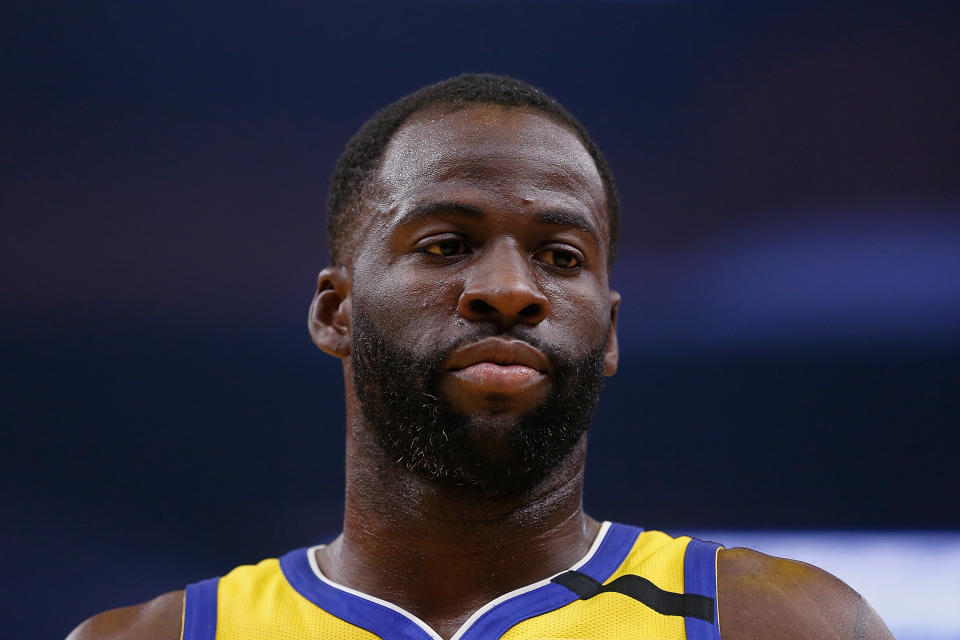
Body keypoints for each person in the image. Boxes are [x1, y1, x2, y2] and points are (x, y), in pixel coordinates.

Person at [68, 73, 894, 640]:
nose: (508, 289)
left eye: (560, 256)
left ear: (607, 334)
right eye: (446, 244)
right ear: (335, 312)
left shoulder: (777, 623)